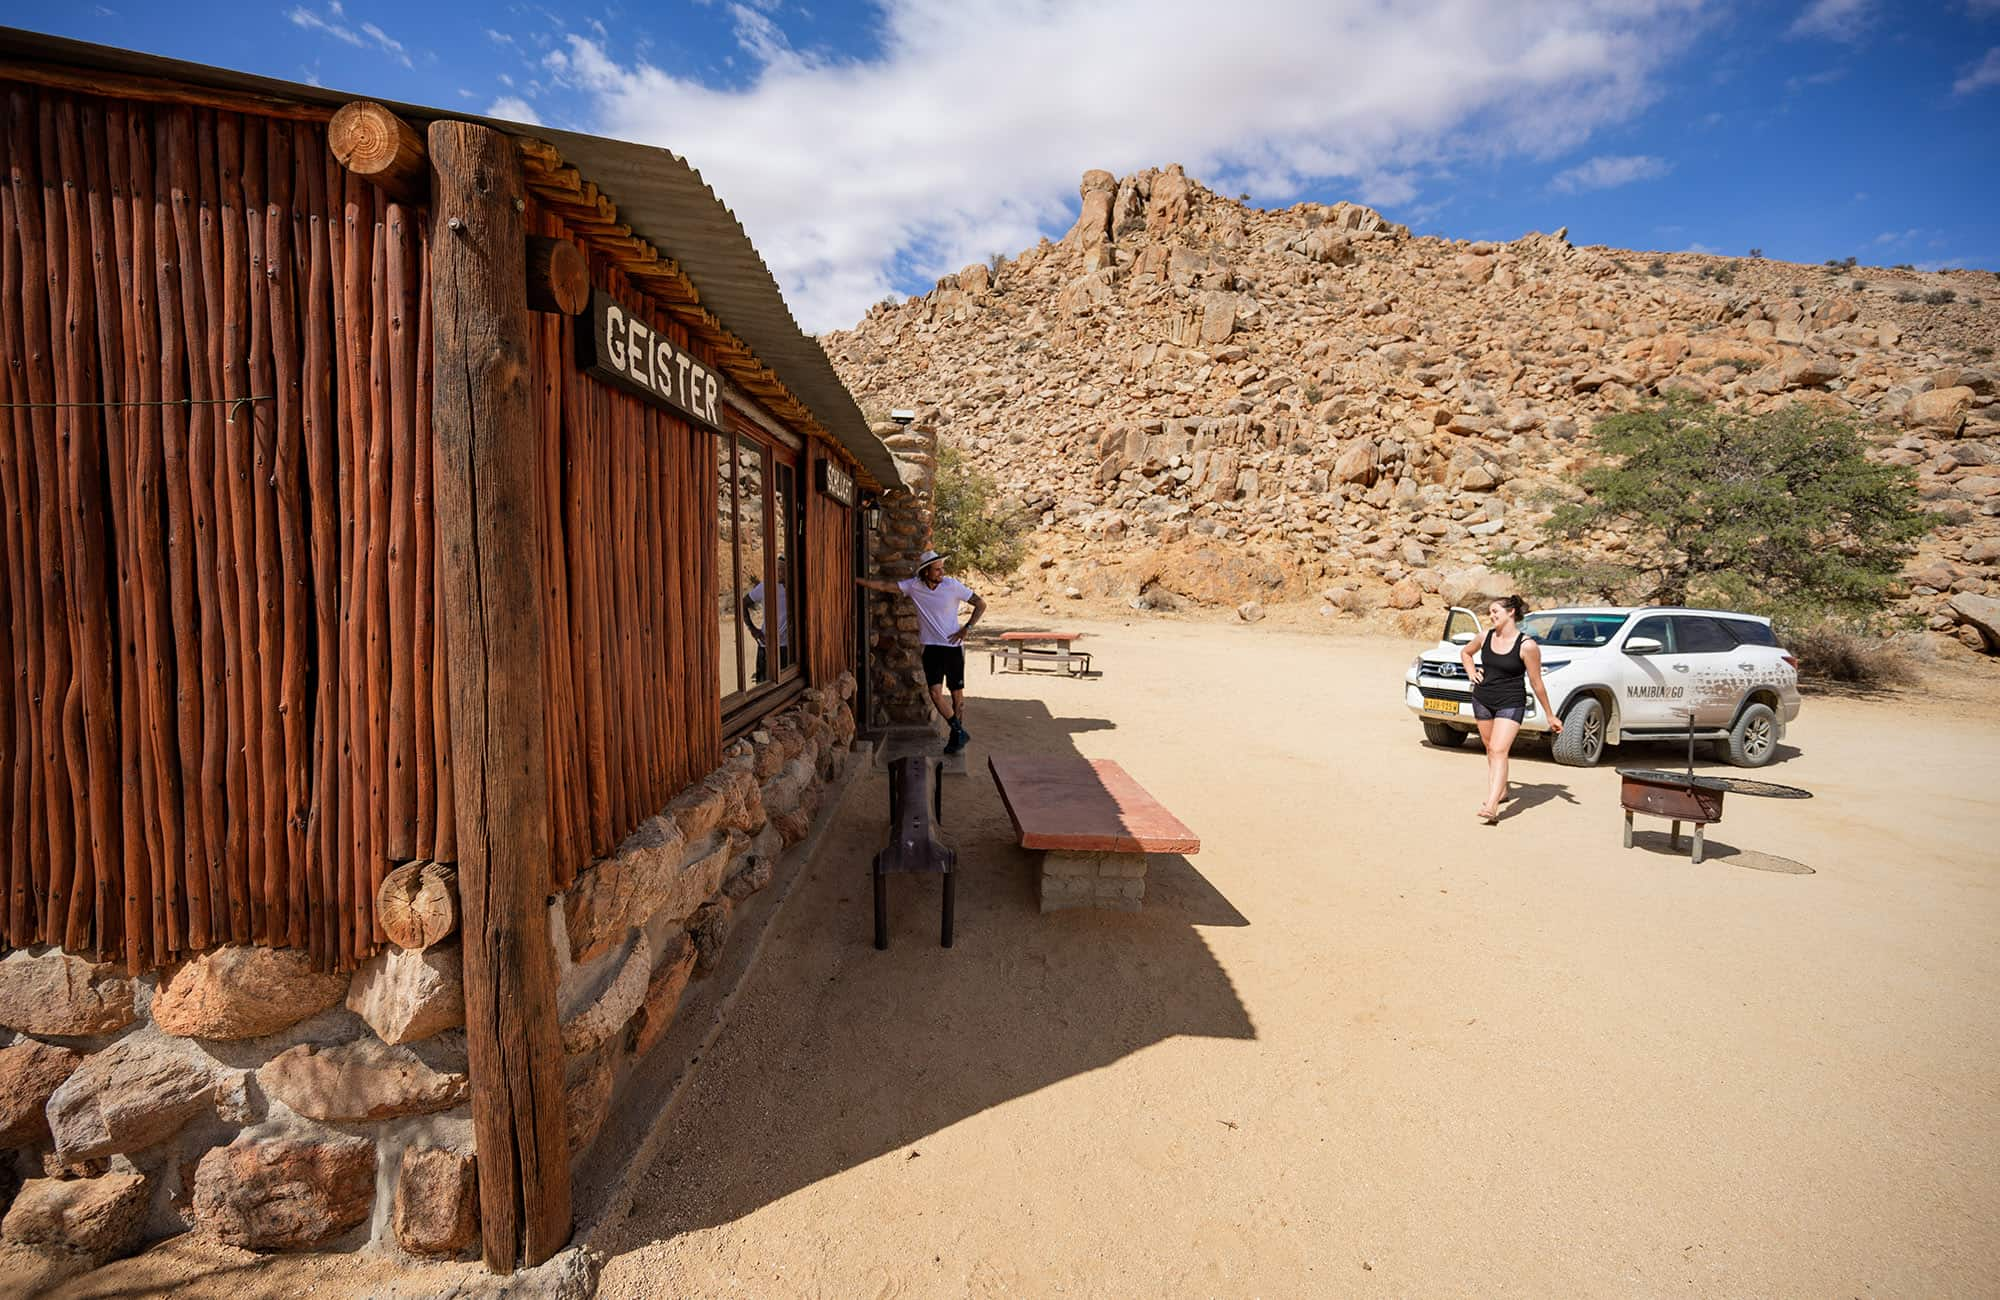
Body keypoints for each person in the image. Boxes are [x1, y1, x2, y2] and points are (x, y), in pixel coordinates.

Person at [857, 549, 985, 754]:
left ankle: (955, 737)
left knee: (957, 696)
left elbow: (980, 603)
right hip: (931, 649)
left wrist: (967, 628)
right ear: (926, 572)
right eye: (937, 569)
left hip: (953, 649)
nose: (941, 572)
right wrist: (856, 580)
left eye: (942, 568)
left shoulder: (952, 585)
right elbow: (883, 586)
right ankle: (959, 730)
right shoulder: (914, 587)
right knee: (935, 694)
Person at [1463, 594, 1561, 824]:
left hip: (1511, 702)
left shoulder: (1527, 646)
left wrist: (1550, 714)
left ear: (1510, 613)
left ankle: (1491, 804)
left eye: (1495, 611)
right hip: (1483, 699)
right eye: (1490, 612)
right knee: (1490, 747)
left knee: (1498, 750)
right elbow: (1466, 653)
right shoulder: (1485, 636)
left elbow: (1537, 683)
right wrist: (1471, 672)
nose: (1491, 616)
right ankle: (1502, 791)